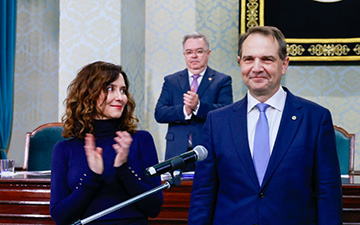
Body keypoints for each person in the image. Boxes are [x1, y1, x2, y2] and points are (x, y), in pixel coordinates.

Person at [188, 26, 342, 224]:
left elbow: (328, 194)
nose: (257, 68)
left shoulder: (315, 119)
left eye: (267, 59)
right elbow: (203, 195)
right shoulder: (217, 121)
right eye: (249, 59)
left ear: (284, 64)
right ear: (240, 63)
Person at [50, 61, 163, 225]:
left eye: (123, 90)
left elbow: (154, 208)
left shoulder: (141, 140)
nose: (120, 97)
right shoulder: (64, 149)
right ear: (89, 93)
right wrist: (92, 178)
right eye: (110, 89)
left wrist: (124, 170)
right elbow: (60, 216)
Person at [155, 32, 233, 166]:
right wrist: (185, 110)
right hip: (176, 151)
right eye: (189, 52)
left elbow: (226, 114)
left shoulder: (222, 80)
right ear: (184, 55)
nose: (194, 56)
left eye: (199, 51)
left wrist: (198, 106)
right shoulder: (171, 81)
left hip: (207, 149)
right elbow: (160, 113)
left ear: (208, 53)